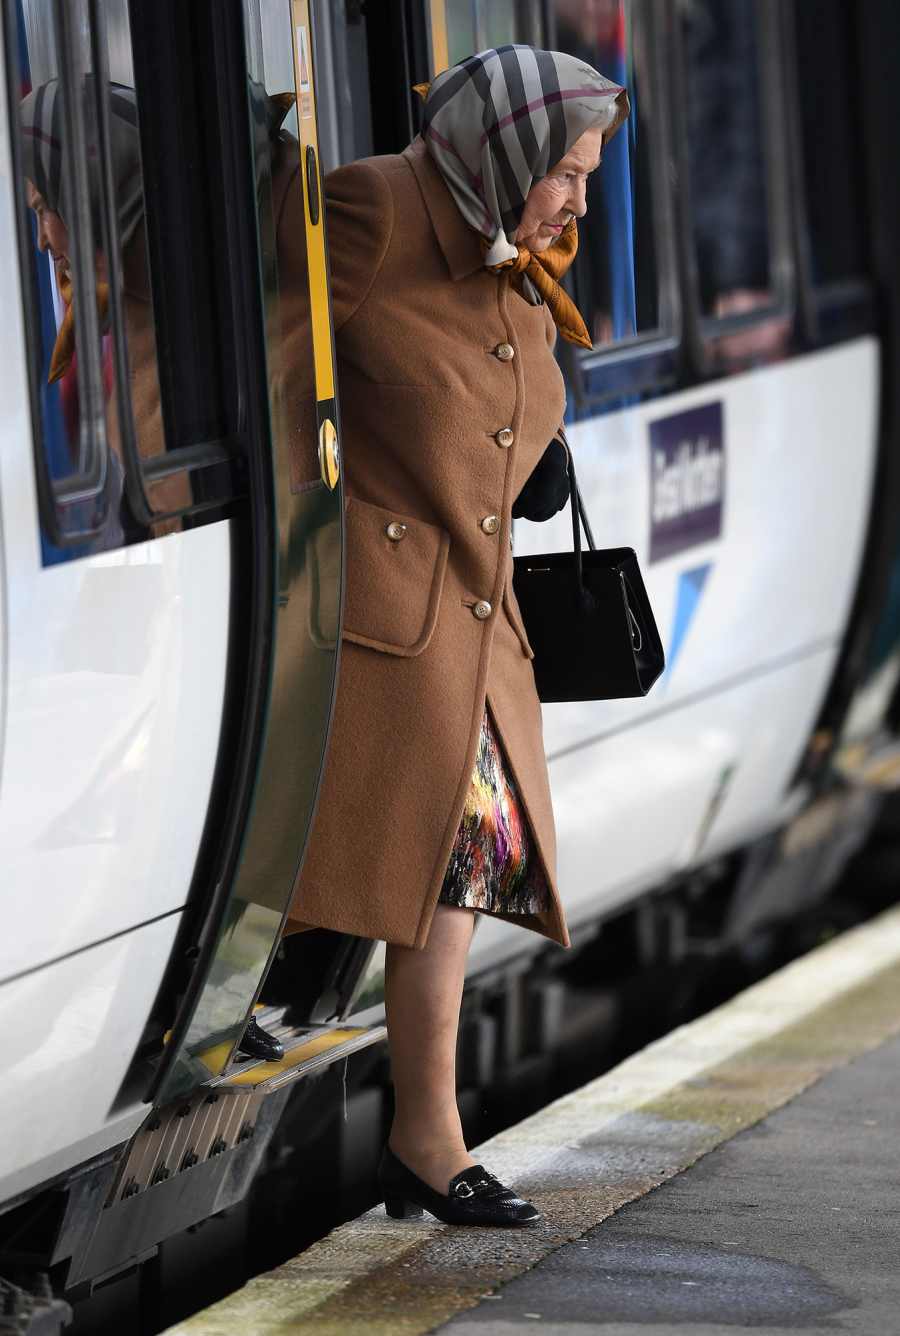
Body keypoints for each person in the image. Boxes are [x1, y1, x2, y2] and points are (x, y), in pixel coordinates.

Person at [280, 46, 629, 1226]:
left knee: (463, 869)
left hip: (481, 627)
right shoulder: (373, 208)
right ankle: (422, 1136)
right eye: (567, 172)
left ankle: (428, 1137)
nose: (578, 200)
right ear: (507, 152)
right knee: (433, 859)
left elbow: (507, 398)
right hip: (389, 616)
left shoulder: (521, 259)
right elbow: (276, 368)